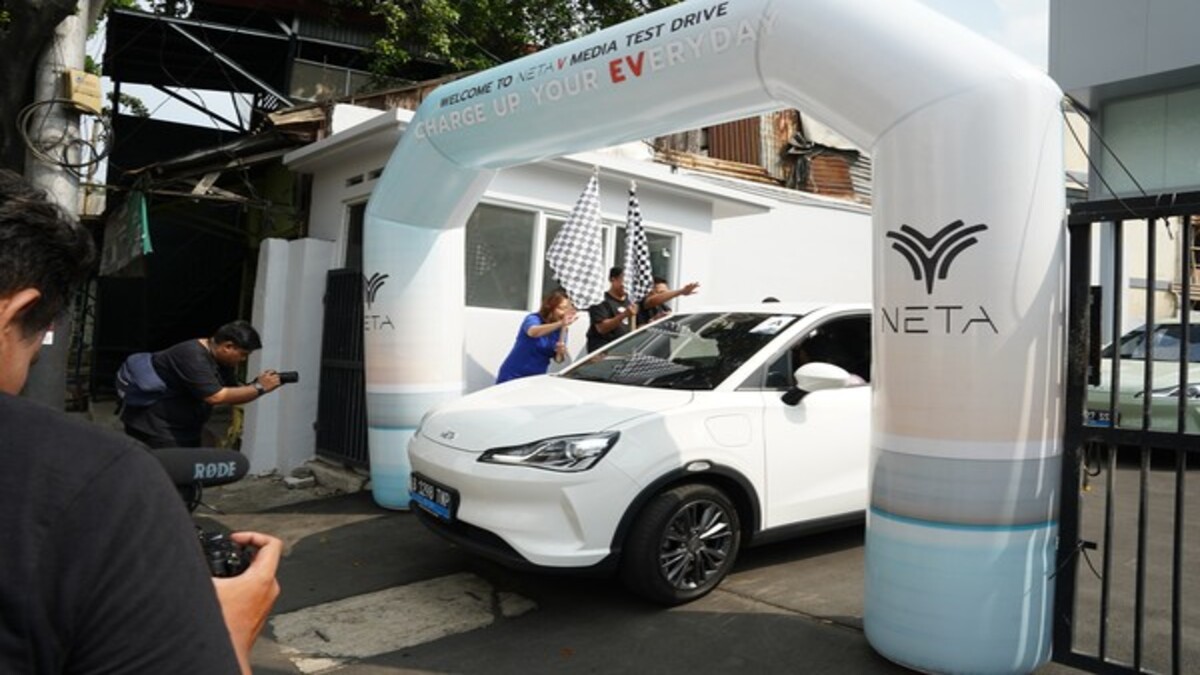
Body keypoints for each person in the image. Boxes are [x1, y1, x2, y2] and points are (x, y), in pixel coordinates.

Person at [0, 169, 281, 674]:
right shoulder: (106, 482)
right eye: (36, 343)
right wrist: (232, 636)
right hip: (159, 433)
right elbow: (217, 396)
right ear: (15, 312)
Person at [121, 320, 284, 448]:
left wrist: (257, 385)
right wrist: (259, 387)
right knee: (165, 477)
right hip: (156, 430)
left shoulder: (221, 360)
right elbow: (216, 396)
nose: (243, 359)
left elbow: (233, 392)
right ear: (228, 346)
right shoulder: (192, 355)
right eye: (243, 354)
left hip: (184, 429)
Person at [496, 288, 578, 384]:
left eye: (567, 309)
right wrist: (560, 323)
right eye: (561, 308)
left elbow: (558, 360)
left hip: (535, 377)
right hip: (514, 374)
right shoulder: (534, 318)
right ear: (550, 307)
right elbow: (533, 332)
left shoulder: (563, 330)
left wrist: (560, 352)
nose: (564, 313)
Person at [586, 266, 637, 352]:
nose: (627, 286)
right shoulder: (600, 300)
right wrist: (624, 315)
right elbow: (601, 328)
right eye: (625, 281)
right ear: (613, 280)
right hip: (603, 349)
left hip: (624, 349)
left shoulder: (631, 302)